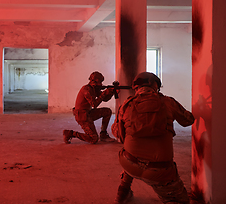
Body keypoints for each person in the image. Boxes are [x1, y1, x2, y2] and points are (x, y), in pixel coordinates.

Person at [111, 72, 195, 204]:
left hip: (129, 163)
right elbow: (188, 121)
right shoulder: (168, 102)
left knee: (128, 151)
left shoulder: (126, 105)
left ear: (136, 87)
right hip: (159, 172)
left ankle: (122, 193)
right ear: (155, 85)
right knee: (180, 200)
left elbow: (118, 134)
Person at [63, 71, 117, 144]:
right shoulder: (87, 89)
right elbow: (94, 105)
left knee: (107, 111)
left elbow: (105, 99)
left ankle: (103, 134)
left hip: (88, 113)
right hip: (82, 116)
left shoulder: (94, 89)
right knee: (93, 139)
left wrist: (111, 92)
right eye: (99, 82)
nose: (101, 84)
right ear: (93, 82)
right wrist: (104, 93)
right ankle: (70, 133)